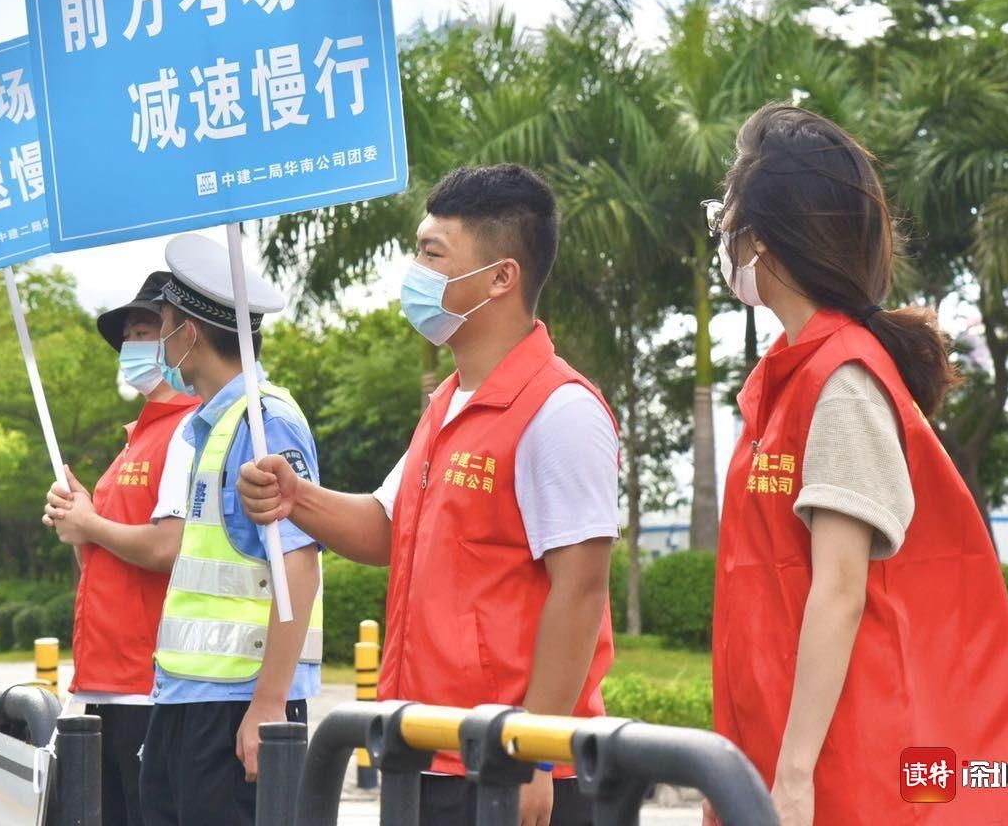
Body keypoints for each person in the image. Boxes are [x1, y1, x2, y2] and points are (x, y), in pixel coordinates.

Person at [239, 164, 619, 826]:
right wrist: (297, 498)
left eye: (431, 254)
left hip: (507, 764)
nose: (414, 273)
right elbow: (388, 528)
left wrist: (535, 753)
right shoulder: (447, 402)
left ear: (502, 277)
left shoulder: (560, 409)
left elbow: (582, 590)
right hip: (426, 747)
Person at [703, 102, 1008, 825]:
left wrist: (793, 776)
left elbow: (840, 591)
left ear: (762, 240)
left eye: (725, 217)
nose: (722, 236)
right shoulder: (787, 380)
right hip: (784, 757)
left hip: (843, 769)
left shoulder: (842, 381)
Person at [135, 233, 323, 826]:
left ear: (189, 333)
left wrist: (268, 704)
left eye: (164, 325)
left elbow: (298, 565)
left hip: (239, 706)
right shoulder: (210, 427)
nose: (161, 340)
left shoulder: (266, 423)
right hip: (188, 697)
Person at [42, 270, 201, 826]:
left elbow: (166, 548)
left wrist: (90, 523)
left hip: (146, 682)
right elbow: (101, 558)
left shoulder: (190, 429)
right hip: (102, 680)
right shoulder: (137, 438)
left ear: (182, 336)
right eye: (128, 335)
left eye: (144, 331)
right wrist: (78, 523)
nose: (133, 345)